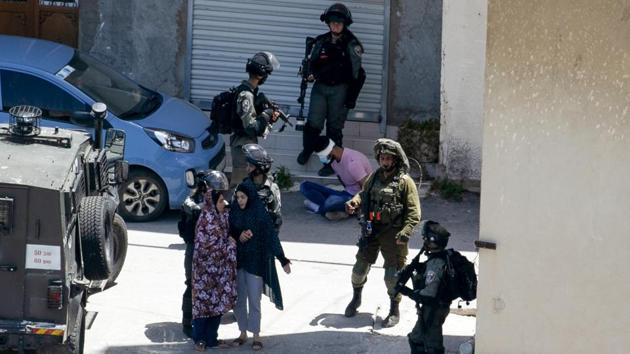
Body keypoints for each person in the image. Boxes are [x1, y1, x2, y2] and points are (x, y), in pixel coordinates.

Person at [344, 138, 421, 327]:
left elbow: (414, 212)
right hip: (371, 229)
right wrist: (355, 202)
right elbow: (364, 194)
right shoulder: (374, 177)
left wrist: (406, 231)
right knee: (359, 270)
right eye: (382, 158)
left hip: (393, 232)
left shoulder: (405, 182)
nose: (385, 162)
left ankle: (394, 309)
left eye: (388, 158)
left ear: (395, 160)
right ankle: (356, 298)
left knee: (392, 276)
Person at [296, 3, 365, 177]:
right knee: (313, 124)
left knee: (334, 127)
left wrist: (351, 99)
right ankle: (308, 149)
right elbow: (312, 65)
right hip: (320, 88)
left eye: (339, 22)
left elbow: (358, 74)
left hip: (340, 90)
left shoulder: (352, 44)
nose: (335, 25)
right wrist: (309, 74)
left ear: (345, 24)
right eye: (332, 22)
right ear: (328, 23)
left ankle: (330, 162)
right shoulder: (321, 41)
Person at [229, 179, 291, 351]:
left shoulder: (260, 214)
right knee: (239, 301)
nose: (240, 200)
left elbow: (271, 237)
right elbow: (227, 229)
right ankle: (242, 333)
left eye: (243, 197)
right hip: (238, 263)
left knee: (254, 301)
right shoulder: (233, 211)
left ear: (250, 197)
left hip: (255, 263)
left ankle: (256, 335)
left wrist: (282, 259)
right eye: (238, 197)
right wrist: (237, 234)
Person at [190, 171, 236, 351]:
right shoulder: (205, 219)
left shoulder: (222, 215)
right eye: (220, 200)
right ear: (211, 200)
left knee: (216, 305)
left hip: (219, 272)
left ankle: (212, 339)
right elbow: (208, 247)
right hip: (204, 272)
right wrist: (230, 246)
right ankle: (199, 340)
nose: (224, 203)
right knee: (203, 306)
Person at [395, 220, 453, 354]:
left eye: (425, 239)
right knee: (418, 339)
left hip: (434, 309)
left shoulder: (436, 264)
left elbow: (428, 294)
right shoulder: (441, 256)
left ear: (431, 241)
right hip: (437, 306)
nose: (423, 241)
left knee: (430, 343)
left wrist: (407, 291)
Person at [230, 52, 281, 186]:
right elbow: (251, 128)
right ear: (260, 75)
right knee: (240, 187)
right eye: (266, 74)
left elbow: (257, 125)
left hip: (247, 145)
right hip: (242, 146)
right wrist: (266, 114)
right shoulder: (246, 95)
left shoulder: (251, 92)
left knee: (251, 187)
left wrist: (269, 118)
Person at [177, 170, 216, 337]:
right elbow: (191, 208)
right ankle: (187, 322)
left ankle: (206, 325)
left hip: (213, 252)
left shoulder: (218, 202)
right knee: (192, 285)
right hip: (194, 250)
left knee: (212, 287)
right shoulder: (191, 203)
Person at [300, 135, 372, 220]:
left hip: (357, 198)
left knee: (332, 201)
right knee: (305, 186)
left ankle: (318, 208)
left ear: (331, 149)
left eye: (323, 156)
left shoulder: (353, 163)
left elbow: (368, 189)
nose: (323, 159)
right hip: (345, 194)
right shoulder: (334, 162)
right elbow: (344, 183)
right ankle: (335, 209)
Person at [237, 144, 282, 232]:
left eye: (251, 166)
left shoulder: (271, 188)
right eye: (247, 165)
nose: (247, 169)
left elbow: (277, 217)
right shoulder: (244, 186)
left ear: (259, 169)